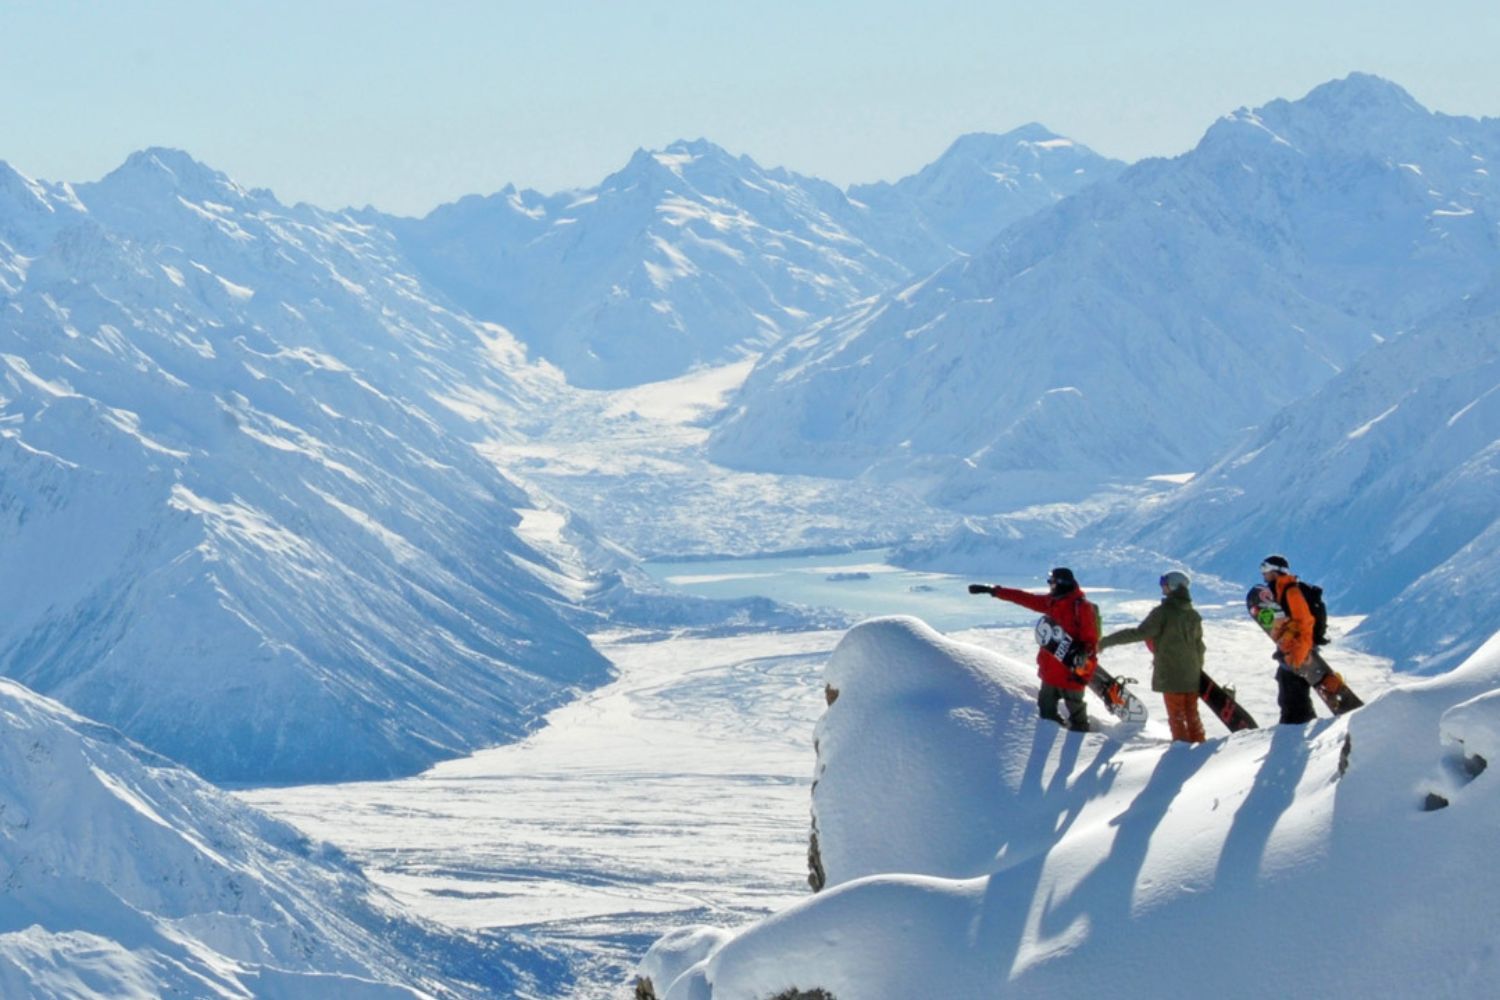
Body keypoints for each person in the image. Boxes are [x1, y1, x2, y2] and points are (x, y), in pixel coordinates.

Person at [969, 568, 1097, 732]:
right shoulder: (1052, 602)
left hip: (1071, 673)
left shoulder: (1082, 608)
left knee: (1078, 720)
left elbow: (1091, 639)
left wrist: (1084, 653)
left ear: (1062, 583)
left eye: (1052, 582)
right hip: (1050, 672)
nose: (1050, 585)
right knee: (1046, 718)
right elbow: (1024, 598)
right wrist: (993, 590)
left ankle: (1084, 748)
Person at [1097, 571, 1206, 743]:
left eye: (1164, 582)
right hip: (1192, 674)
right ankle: (1199, 747)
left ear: (1173, 586)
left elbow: (1138, 633)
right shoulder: (1193, 615)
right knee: (1192, 716)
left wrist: (1105, 642)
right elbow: (1200, 647)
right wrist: (1196, 669)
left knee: (1176, 717)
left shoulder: (1163, 613)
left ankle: (1183, 756)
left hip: (1171, 674)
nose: (1161, 585)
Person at [1258, 554, 1325, 724]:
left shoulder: (1292, 592)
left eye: (1265, 569)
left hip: (1297, 652)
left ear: (1275, 572)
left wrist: (1297, 656)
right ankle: (1297, 729)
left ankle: (1294, 734)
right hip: (1291, 651)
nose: (1263, 574)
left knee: (1293, 698)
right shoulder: (1281, 591)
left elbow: (1305, 624)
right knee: (1288, 694)